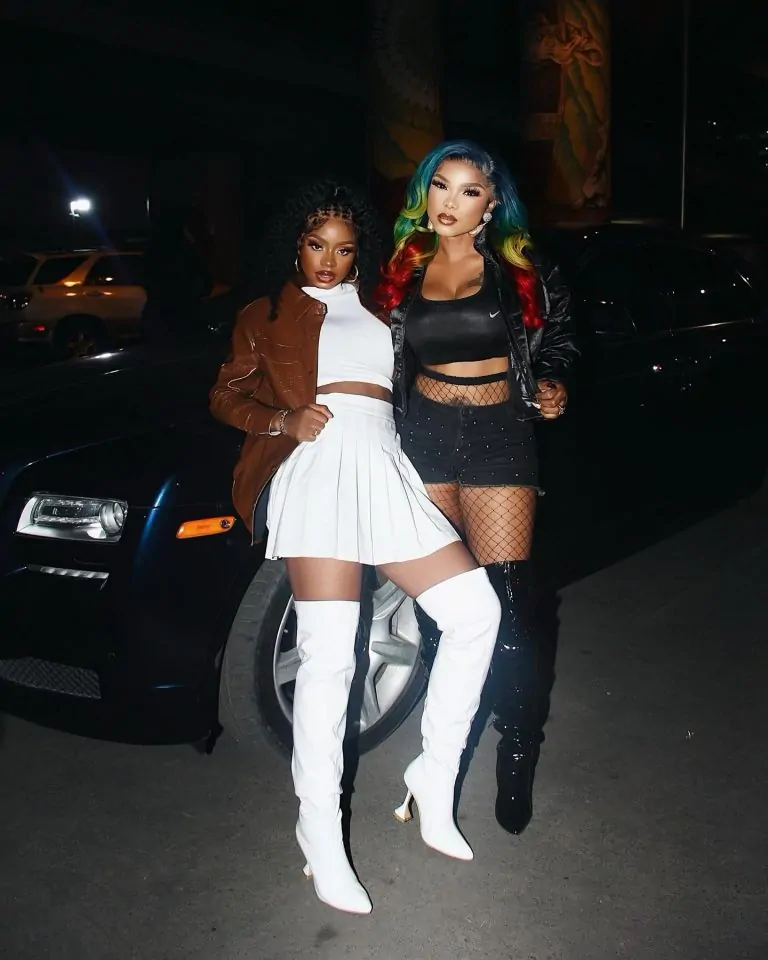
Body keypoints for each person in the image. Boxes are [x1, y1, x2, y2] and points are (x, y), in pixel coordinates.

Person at [209, 180, 501, 915]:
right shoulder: (265, 313)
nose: (329, 261)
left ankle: (433, 776)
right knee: (331, 658)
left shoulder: (384, 306)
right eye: (316, 245)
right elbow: (225, 395)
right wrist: (281, 421)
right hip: (318, 466)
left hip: (386, 464)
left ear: (359, 252)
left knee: (476, 613)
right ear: (294, 243)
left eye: (343, 249)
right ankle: (318, 833)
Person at [376, 141, 578, 836]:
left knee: (510, 606)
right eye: (441, 185)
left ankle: (517, 747)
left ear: (492, 205)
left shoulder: (522, 269)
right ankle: (442, 756)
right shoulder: (402, 270)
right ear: (424, 192)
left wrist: (553, 382)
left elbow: (560, 338)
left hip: (498, 434)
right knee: (443, 610)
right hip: (425, 433)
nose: (451, 202)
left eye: (468, 191)